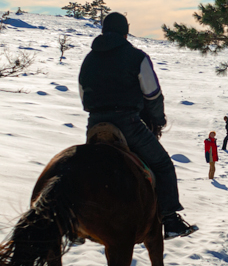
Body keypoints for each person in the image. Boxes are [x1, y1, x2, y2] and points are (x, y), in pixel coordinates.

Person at [78, 12, 197, 239]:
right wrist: (158, 119)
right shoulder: (136, 56)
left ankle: (77, 223)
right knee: (162, 164)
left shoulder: (89, 59)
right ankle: (171, 220)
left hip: (95, 124)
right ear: (126, 31)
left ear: (103, 31)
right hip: (128, 124)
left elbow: (84, 98)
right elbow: (152, 95)